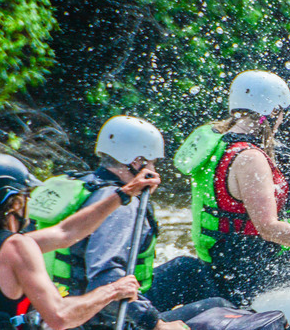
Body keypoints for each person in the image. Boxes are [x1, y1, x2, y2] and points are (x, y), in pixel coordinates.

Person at [173, 70, 290, 306]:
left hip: (224, 261)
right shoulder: (250, 158)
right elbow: (270, 230)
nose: (282, 120)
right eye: (282, 113)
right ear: (273, 111)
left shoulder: (218, 144)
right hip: (247, 275)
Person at [28, 116, 229, 329]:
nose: (155, 170)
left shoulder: (82, 186)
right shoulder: (121, 207)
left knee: (188, 269)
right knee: (220, 307)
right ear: (137, 162)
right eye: (152, 162)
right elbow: (107, 280)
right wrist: (157, 324)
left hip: (59, 306)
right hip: (98, 320)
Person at [0, 153, 158, 329]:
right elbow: (60, 317)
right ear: (17, 203)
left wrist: (125, 193)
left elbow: (66, 232)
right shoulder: (17, 247)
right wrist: (114, 290)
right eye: (27, 196)